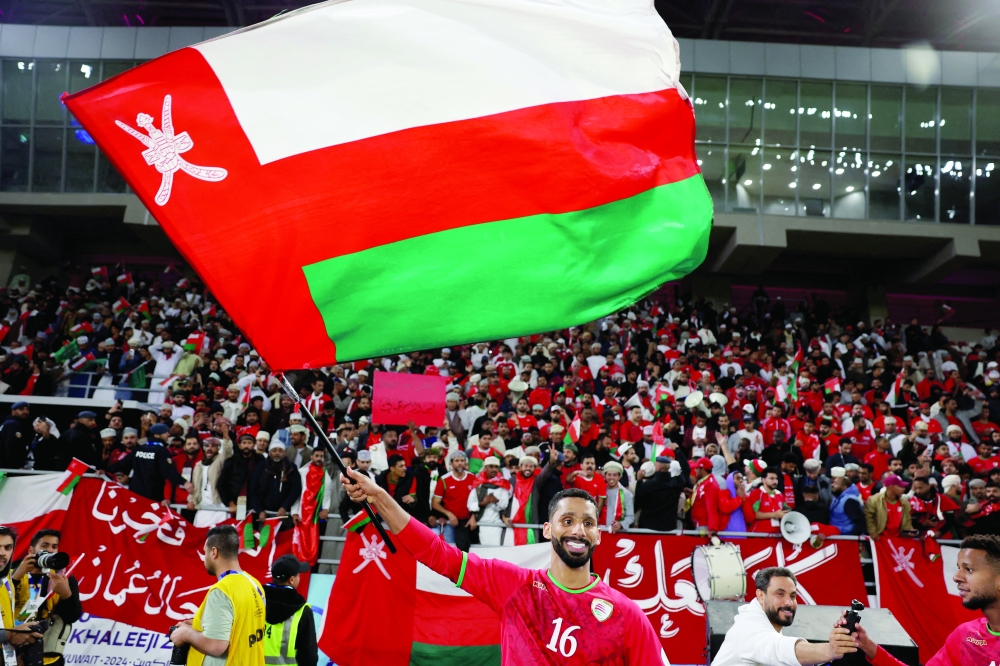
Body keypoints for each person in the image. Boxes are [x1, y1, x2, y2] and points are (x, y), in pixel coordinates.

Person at [341, 470, 668, 664]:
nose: (578, 530)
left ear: (598, 534)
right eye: (567, 520)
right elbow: (437, 554)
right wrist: (380, 498)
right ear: (548, 530)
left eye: (588, 522)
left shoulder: (627, 615)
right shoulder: (514, 585)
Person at [846, 534, 1000, 665]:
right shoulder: (965, 635)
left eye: (969, 570)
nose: (956, 577)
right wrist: (868, 646)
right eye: (958, 568)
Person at [714, 567, 856, 666]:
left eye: (793, 596)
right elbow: (780, 649)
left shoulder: (766, 623)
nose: (788, 602)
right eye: (779, 594)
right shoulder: (749, 628)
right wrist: (829, 650)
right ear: (761, 596)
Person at [169, 525, 266, 666]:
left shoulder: (222, 591)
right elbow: (241, 625)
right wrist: (200, 623)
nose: (204, 558)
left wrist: (185, 634)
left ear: (214, 552)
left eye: (205, 552)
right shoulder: (254, 583)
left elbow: (216, 645)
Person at [10, 529, 83, 666]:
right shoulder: (11, 574)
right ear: (31, 550)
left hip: (49, 657)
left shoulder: (63, 578)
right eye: (45, 546)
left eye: (54, 547)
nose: (50, 550)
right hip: (13, 653)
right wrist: (15, 578)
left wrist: (66, 594)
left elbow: (71, 617)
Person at [109, 422, 193, 504]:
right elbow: (167, 471)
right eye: (165, 433)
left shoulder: (139, 449)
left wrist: (103, 469)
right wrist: (184, 482)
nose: (168, 435)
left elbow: (121, 464)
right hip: (153, 496)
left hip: (135, 495)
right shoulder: (161, 451)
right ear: (157, 435)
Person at [263, 554, 317, 666]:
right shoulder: (303, 610)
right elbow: (308, 657)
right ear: (292, 579)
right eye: (298, 575)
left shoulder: (255, 601)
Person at [249, 439, 302, 523]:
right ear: (270, 453)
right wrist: (259, 510)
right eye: (274, 450)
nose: (277, 453)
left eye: (280, 451)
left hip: (284, 514)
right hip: (264, 515)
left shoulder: (291, 468)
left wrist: (285, 506)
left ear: (284, 453)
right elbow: (253, 490)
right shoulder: (261, 467)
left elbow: (296, 489)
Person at [432, 450, 476, 551]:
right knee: (450, 550)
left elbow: (477, 499)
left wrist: (474, 516)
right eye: (456, 460)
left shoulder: (472, 477)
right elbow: (435, 503)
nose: (460, 463)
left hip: (468, 520)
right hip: (450, 522)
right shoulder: (444, 479)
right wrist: (449, 514)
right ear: (451, 463)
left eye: (462, 460)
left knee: (468, 550)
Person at [188, 436, 234, 527]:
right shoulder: (198, 465)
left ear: (218, 449)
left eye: (213, 446)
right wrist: (191, 500)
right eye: (207, 446)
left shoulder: (221, 461)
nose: (209, 448)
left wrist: (225, 435)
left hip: (219, 507)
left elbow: (228, 451)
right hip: (203, 507)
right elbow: (195, 486)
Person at [218, 434, 266, 518]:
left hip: (256, 502)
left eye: (249, 443)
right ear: (239, 445)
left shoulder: (260, 460)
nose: (246, 446)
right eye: (244, 443)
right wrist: (231, 503)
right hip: (236, 502)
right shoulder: (231, 461)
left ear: (254, 445)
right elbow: (222, 483)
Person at [468, 457, 511, 546]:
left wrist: (495, 501)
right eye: (491, 466)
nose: (494, 469)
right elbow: (470, 505)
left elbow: (504, 505)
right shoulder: (478, 484)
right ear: (485, 468)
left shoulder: (503, 485)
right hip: (481, 523)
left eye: (496, 467)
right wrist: (482, 503)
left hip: (497, 524)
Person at [634, 456, 684, 531]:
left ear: (658, 467)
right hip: (668, 527)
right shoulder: (676, 485)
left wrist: (639, 481)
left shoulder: (647, 485)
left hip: (648, 527)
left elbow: (638, 502)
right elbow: (682, 479)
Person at [864, 474, 913, 540]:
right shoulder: (874, 500)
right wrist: (872, 532)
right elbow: (868, 518)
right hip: (879, 540)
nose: (904, 489)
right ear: (891, 487)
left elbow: (907, 522)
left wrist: (910, 532)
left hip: (898, 540)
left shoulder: (905, 503)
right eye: (901, 487)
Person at [744, 468, 789, 533]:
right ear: (763, 480)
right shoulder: (756, 493)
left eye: (776, 479)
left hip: (777, 535)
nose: (775, 481)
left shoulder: (780, 495)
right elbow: (753, 515)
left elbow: (785, 510)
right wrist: (775, 514)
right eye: (771, 478)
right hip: (759, 534)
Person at [601, 462, 634, 533]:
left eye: (615, 475)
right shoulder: (599, 491)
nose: (611, 477)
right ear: (605, 475)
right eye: (609, 474)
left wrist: (621, 524)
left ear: (620, 476)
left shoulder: (626, 494)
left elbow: (631, 516)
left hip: (618, 533)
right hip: (599, 532)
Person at [0, 401, 32, 469]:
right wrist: (16, 466)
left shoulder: (6, 423)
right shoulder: (13, 424)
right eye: (21, 409)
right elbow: (12, 447)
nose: (25, 412)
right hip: (8, 466)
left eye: (27, 409)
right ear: (13, 411)